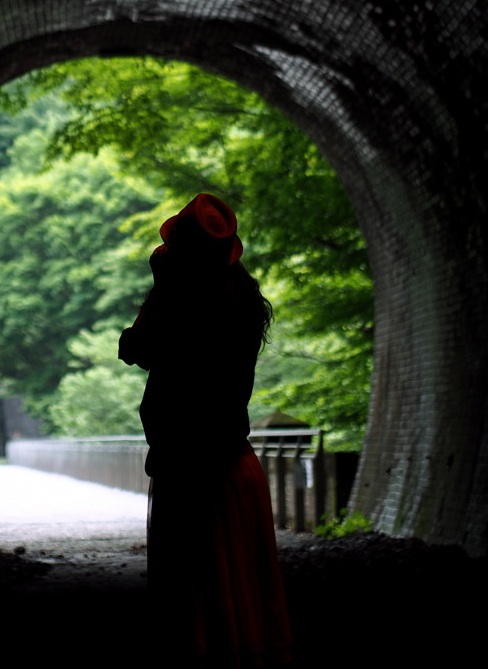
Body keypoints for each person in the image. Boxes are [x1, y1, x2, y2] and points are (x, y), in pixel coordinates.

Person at [119, 193, 292, 665]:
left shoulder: (181, 307)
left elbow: (136, 347)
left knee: (195, 585)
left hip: (189, 469)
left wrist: (164, 288)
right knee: (238, 584)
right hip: (235, 462)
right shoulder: (240, 305)